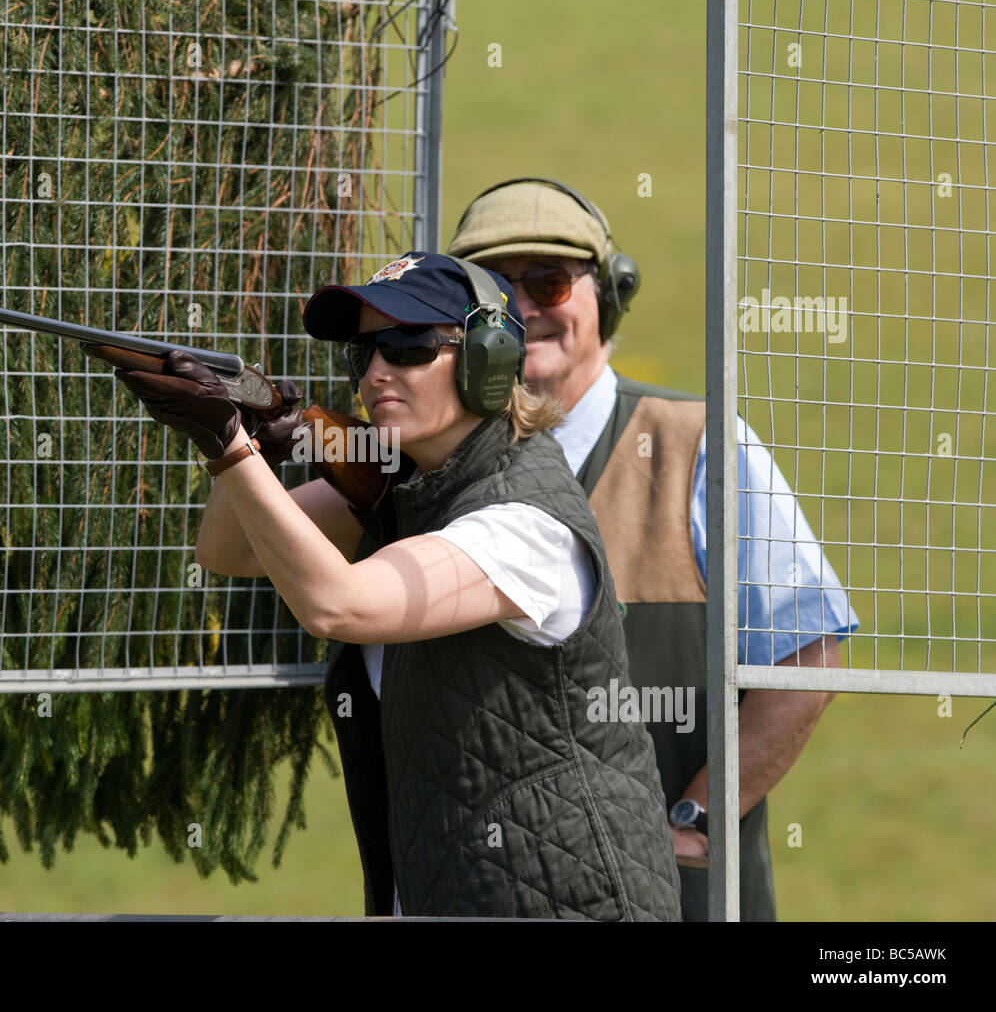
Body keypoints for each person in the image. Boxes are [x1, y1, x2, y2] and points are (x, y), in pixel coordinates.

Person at [95, 251, 681, 919]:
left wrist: (227, 442)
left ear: (487, 358)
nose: (376, 372)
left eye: (407, 345)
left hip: (565, 899)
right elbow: (225, 551)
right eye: (365, 350)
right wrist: (253, 439)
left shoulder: (525, 525)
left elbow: (336, 604)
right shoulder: (403, 486)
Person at [448, 178, 860, 921]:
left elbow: (809, 656)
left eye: (548, 280)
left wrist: (692, 827)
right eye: (490, 289)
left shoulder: (702, 443)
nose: (523, 308)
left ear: (607, 295)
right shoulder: (434, 469)